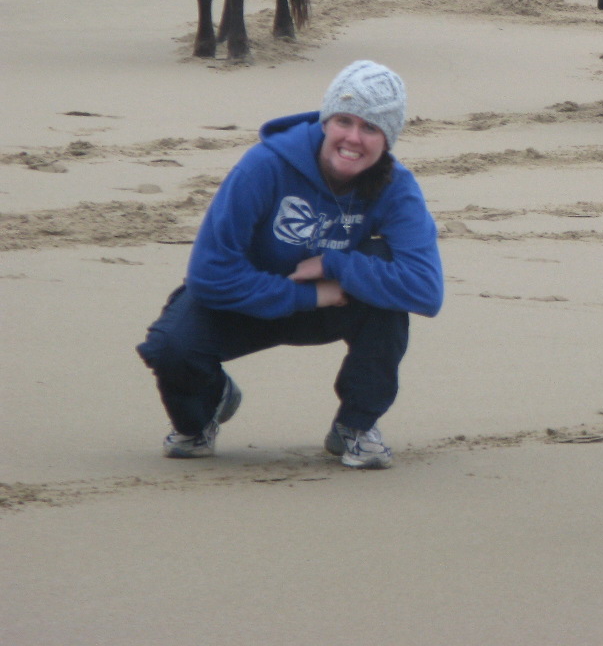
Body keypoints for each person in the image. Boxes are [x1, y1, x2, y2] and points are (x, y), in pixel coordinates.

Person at [136, 60, 443, 469]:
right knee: (169, 346)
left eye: (371, 128)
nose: (353, 138)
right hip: (247, 300)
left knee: (386, 276)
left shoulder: (396, 185)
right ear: (325, 120)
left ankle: (355, 426)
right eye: (344, 121)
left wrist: (336, 265)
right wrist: (313, 292)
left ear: (388, 140)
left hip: (332, 307)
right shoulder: (264, 165)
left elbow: (426, 289)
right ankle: (204, 412)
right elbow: (209, 275)